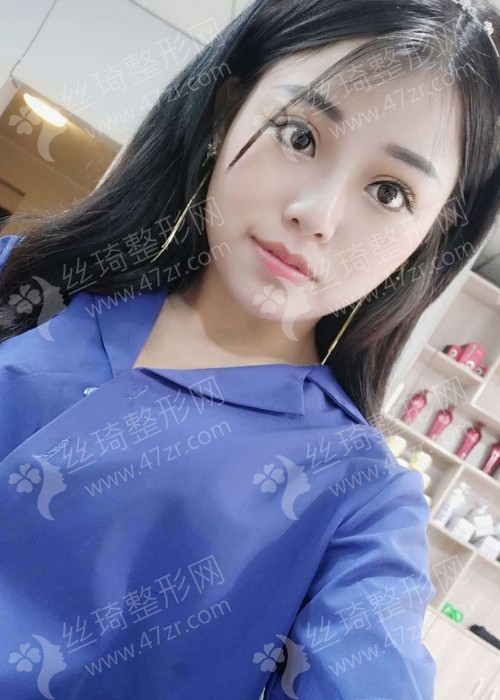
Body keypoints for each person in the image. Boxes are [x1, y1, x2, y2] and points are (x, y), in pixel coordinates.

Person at [1, 0, 500, 697]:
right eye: (299, 136)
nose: (316, 214)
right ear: (226, 108)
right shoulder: (28, 278)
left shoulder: (359, 503)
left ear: (432, 234)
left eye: (389, 192)